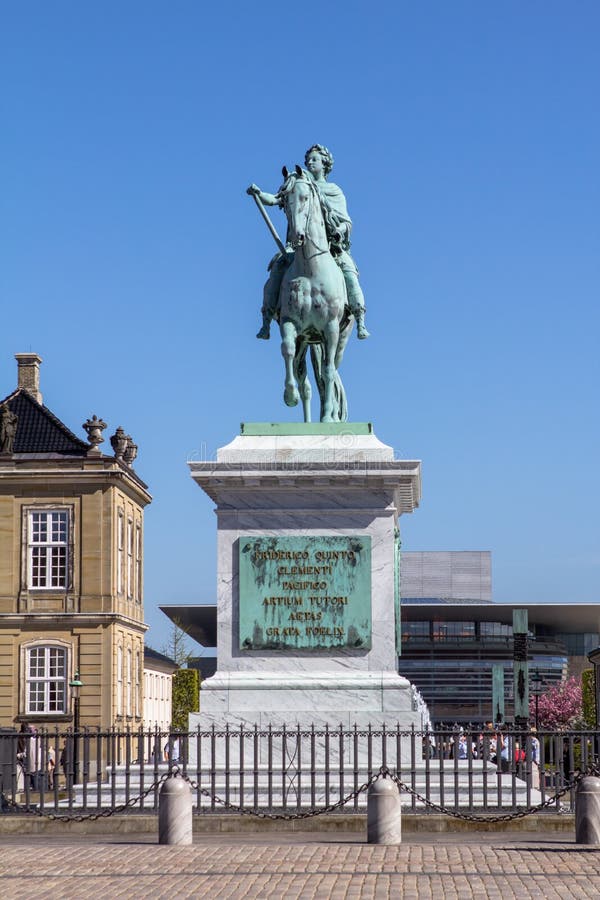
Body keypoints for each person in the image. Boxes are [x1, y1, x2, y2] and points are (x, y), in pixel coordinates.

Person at [249, 144, 370, 341]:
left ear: (325, 164)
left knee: (349, 270)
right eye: (308, 160)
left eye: (314, 159)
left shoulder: (333, 190)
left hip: (331, 247)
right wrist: (259, 194)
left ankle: (359, 316)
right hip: (296, 245)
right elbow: (275, 199)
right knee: (277, 268)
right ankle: (266, 319)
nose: (309, 162)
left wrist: (339, 231)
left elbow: (346, 221)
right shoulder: (297, 185)